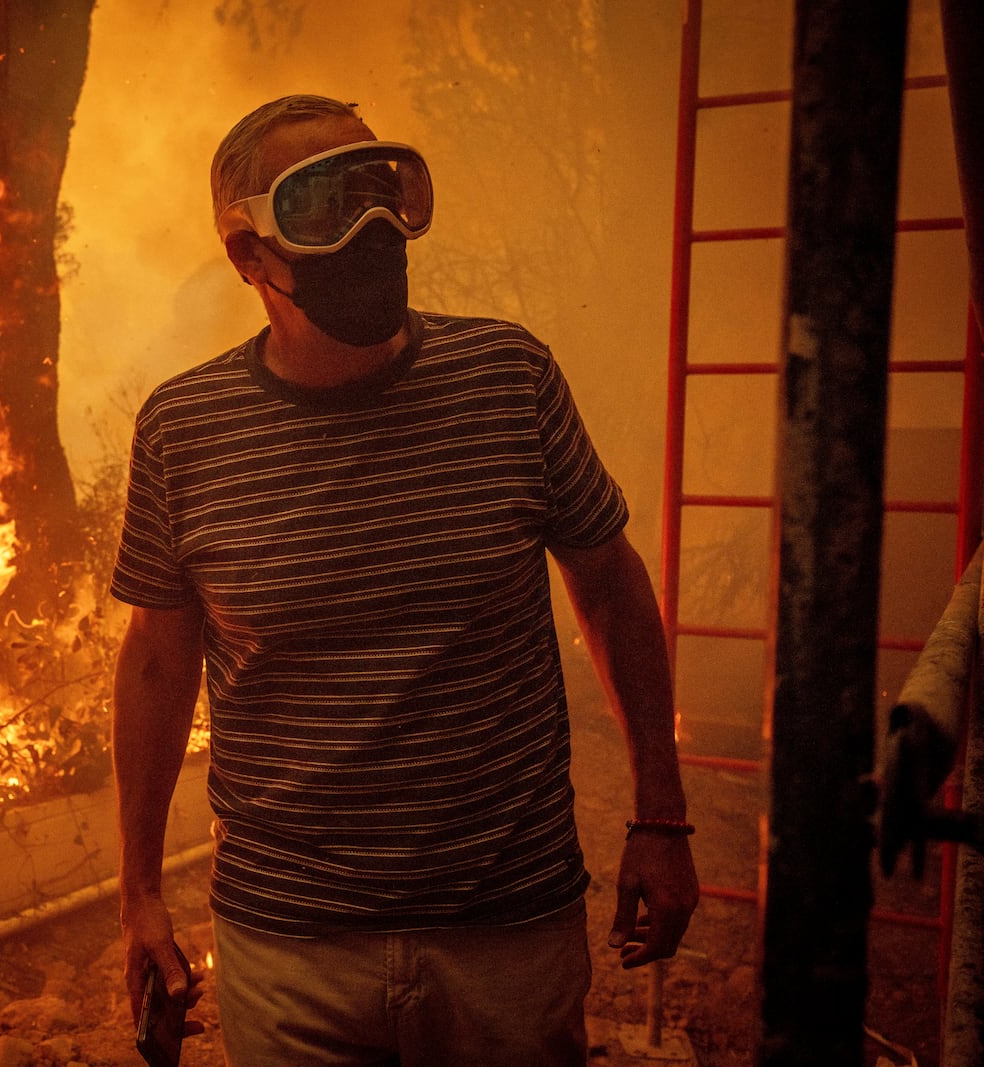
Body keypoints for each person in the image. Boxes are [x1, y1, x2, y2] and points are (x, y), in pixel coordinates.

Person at [110, 93, 699, 1067]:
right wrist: (137, 894)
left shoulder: (507, 376)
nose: (373, 229)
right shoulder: (184, 429)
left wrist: (662, 814)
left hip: (507, 932)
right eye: (324, 205)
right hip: (289, 949)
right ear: (249, 254)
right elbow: (157, 664)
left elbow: (610, 585)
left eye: (382, 190)